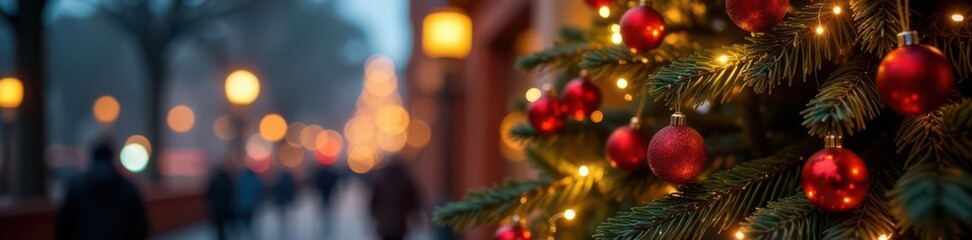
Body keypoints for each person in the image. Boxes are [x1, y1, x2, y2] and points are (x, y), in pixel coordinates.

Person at [55, 137, 150, 240]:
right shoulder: (128, 188)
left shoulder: (77, 186)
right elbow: (141, 227)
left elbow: (63, 223)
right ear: (113, 157)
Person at [369, 160, 421, 240]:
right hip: (400, 223)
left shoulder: (381, 180)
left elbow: (374, 201)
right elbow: (414, 200)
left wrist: (374, 214)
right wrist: (415, 213)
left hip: (384, 223)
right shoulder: (405, 180)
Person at [204, 162, 235, 240]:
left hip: (216, 208)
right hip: (225, 208)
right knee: (224, 225)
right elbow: (232, 194)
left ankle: (220, 236)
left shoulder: (214, 181)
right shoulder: (228, 181)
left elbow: (208, 194)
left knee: (219, 226)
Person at [235, 166, 263, 236]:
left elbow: (237, 190)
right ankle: (248, 232)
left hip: (241, 204)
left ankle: (244, 232)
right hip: (251, 204)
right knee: (249, 220)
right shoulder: (255, 179)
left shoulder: (241, 178)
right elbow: (259, 190)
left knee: (242, 220)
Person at [313, 166, 340, 236]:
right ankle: (327, 220)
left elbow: (317, 182)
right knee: (327, 206)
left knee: (324, 206)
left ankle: (325, 218)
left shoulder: (321, 174)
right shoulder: (330, 174)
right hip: (328, 192)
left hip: (323, 192)